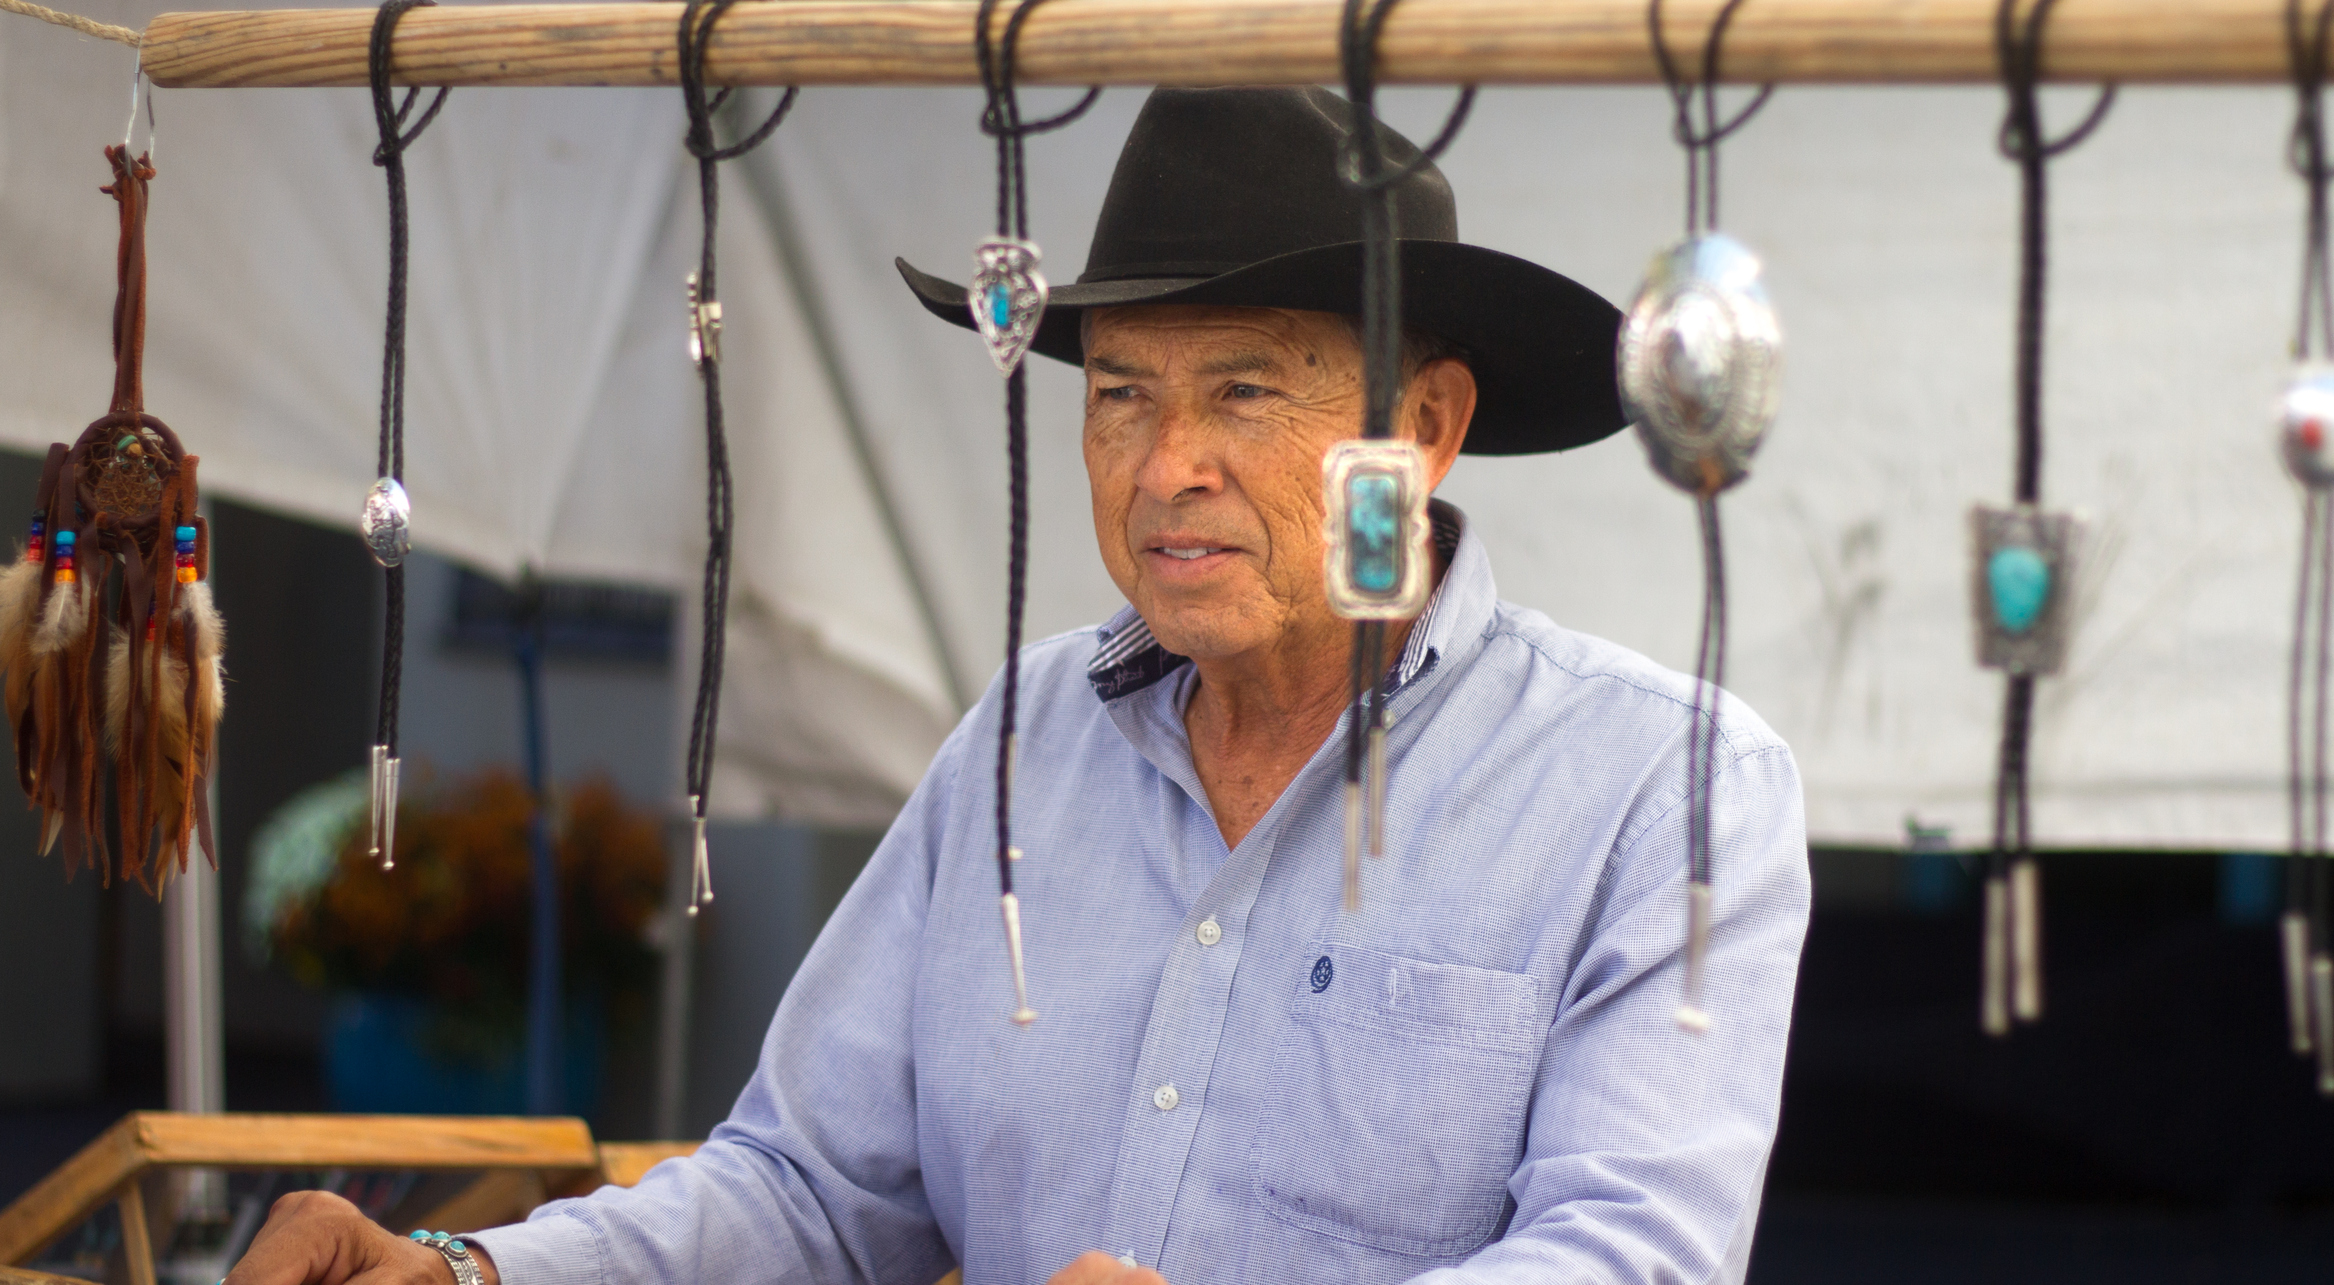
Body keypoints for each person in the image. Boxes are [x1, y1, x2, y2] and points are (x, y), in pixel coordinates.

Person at [228, 86, 1809, 1285]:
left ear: (1429, 421)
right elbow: (807, 1185)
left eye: (1243, 391)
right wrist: (468, 1266)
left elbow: (1630, 1258)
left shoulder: (1658, 787)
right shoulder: (1020, 739)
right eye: (1119, 393)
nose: (1164, 464)